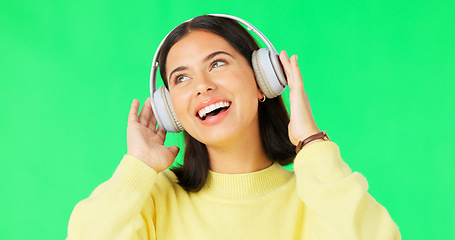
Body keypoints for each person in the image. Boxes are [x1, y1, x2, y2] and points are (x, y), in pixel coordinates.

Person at [67, 15, 401, 239]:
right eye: (181, 78)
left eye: (218, 63)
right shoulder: (153, 201)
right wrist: (136, 169)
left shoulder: (316, 197)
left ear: (262, 81)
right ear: (172, 111)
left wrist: (311, 142)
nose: (202, 86)